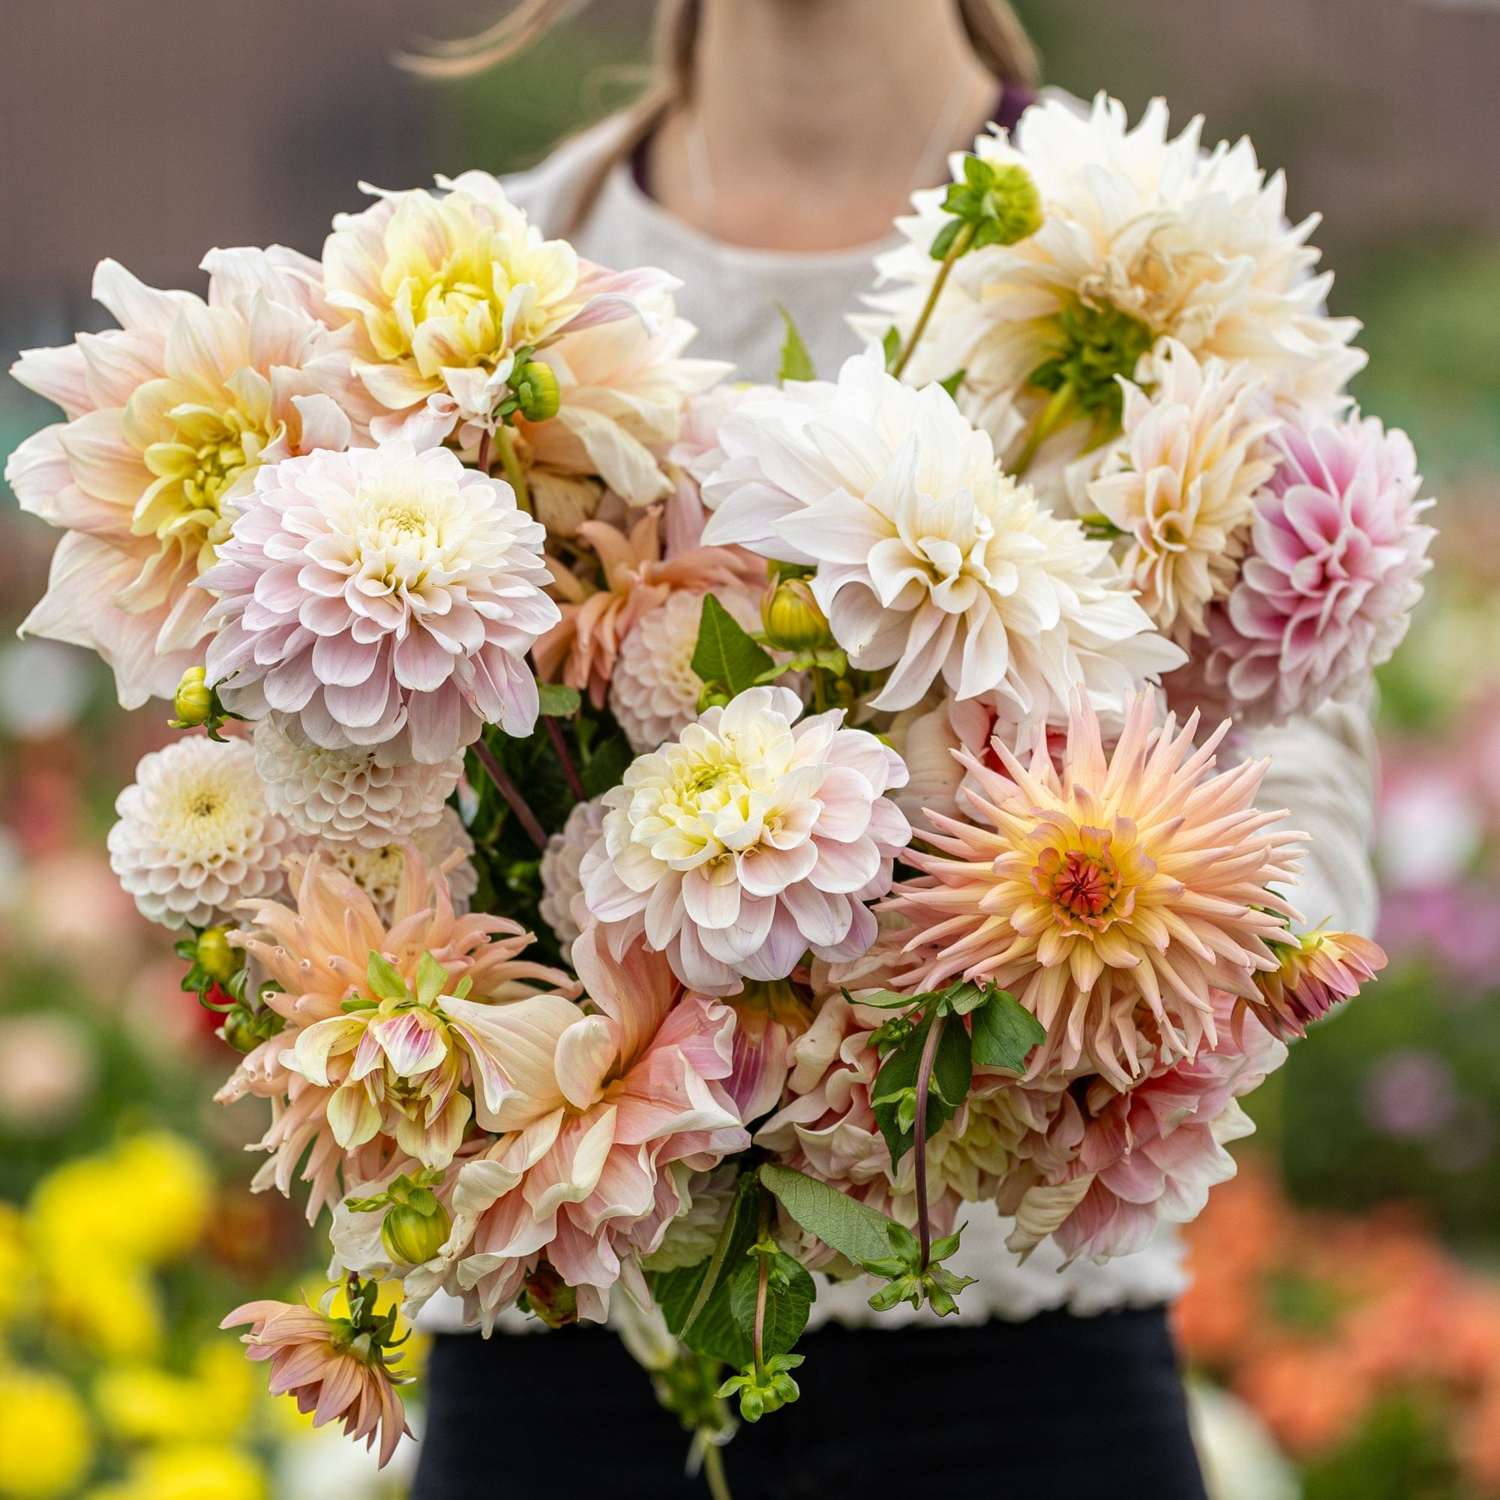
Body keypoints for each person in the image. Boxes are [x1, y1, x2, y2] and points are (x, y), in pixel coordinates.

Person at [408, 3, 1380, 1496]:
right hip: (557, 1337)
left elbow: (1301, 812)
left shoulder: (1176, 255)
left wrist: (1074, 950)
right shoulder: (471, 289)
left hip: (1010, 1356)